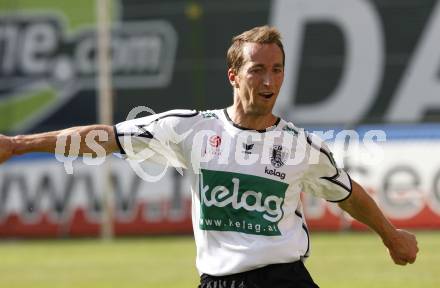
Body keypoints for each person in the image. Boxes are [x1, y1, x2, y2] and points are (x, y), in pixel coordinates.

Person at [0, 26, 418, 288]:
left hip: (286, 278)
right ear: (233, 76)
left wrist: (391, 234)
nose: (269, 79)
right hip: (219, 282)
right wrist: (19, 144)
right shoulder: (190, 129)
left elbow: (346, 193)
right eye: (257, 69)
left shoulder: (301, 147)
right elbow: (105, 137)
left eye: (277, 69)